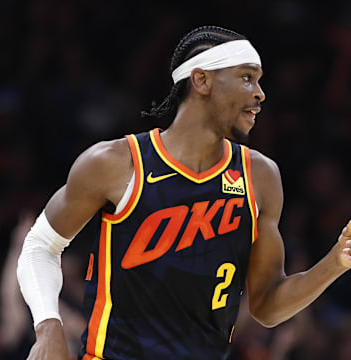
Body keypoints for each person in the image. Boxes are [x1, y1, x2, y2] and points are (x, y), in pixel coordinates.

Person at [17, 25, 351, 360]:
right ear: (202, 80)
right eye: (247, 77)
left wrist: (335, 263)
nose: (260, 93)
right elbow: (40, 246)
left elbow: (266, 305)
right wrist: (48, 328)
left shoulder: (260, 176)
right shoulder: (118, 162)